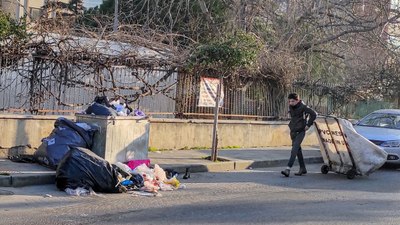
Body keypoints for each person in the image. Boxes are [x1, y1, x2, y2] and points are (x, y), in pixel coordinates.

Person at [281, 93, 317, 177]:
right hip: (293, 131)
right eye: (289, 101)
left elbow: (314, 114)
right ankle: (303, 168)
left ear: (297, 100)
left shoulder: (304, 107)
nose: (290, 103)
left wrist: (308, 125)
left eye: (292, 101)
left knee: (294, 149)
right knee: (298, 151)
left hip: (301, 131)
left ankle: (288, 169)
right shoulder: (291, 106)